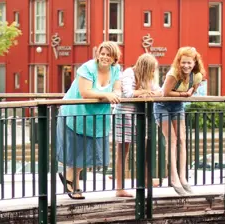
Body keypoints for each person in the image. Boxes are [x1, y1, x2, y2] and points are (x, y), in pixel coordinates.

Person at [57, 42, 123, 200]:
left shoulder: (116, 70)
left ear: (115, 57)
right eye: (103, 53)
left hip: (96, 117)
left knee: (88, 151)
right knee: (78, 150)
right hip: (76, 113)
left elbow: (117, 89)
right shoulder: (87, 68)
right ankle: (73, 183)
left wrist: (115, 93)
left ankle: (69, 178)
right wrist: (107, 96)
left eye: (109, 54)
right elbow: (85, 92)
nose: (105, 57)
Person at [155, 47, 205, 196]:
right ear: (179, 61)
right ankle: (174, 177)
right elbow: (165, 93)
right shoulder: (173, 74)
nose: (186, 66)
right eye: (183, 62)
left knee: (182, 139)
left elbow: (193, 90)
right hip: (162, 105)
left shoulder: (197, 76)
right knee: (172, 139)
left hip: (178, 105)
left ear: (194, 62)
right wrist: (184, 93)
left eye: (189, 63)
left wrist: (188, 93)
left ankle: (183, 177)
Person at [113, 53, 162, 198]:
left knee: (145, 147)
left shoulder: (147, 77)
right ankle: (119, 188)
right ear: (145, 67)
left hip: (139, 115)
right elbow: (128, 94)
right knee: (123, 151)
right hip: (124, 114)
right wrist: (144, 92)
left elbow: (159, 91)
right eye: (152, 69)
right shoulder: (129, 73)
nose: (153, 73)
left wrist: (144, 92)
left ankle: (146, 179)